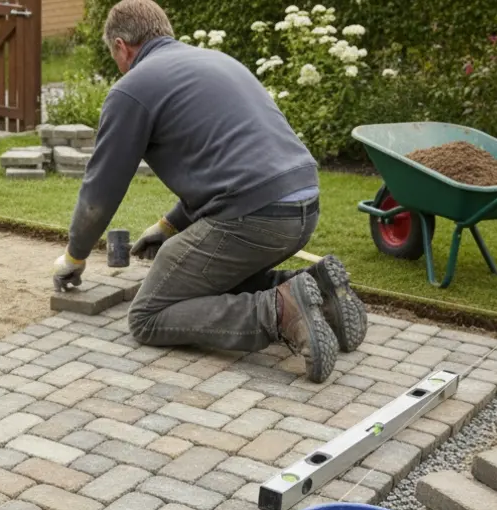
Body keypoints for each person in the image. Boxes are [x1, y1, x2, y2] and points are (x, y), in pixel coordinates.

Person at [51, 0, 367, 383]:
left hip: (254, 217)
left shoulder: (131, 89)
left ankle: (279, 311)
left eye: (114, 55)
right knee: (210, 279)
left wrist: (75, 255)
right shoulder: (217, 61)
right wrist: (168, 226)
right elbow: (225, 162)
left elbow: (101, 190)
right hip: (303, 203)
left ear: (121, 46)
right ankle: (320, 290)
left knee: (148, 314)